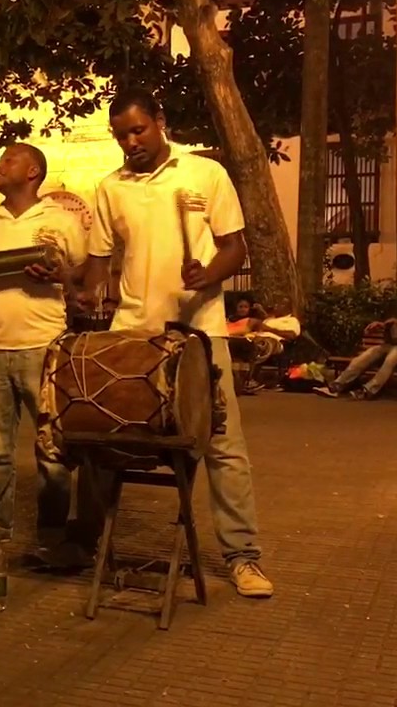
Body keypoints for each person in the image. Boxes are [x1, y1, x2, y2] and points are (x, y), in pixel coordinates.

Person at [78, 89, 273, 598]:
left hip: (199, 334)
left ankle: (242, 557)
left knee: (223, 446)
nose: (130, 142)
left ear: (160, 122)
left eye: (138, 130)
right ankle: (91, 545)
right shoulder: (110, 187)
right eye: (121, 134)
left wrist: (205, 275)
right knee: (106, 440)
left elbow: (234, 248)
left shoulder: (204, 173)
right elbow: (99, 259)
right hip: (133, 334)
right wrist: (80, 290)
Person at [0, 143, 88, 565]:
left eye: (8, 159)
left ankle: (51, 532)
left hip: (44, 344)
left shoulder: (61, 220)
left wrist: (60, 274)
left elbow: (81, 272)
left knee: (51, 446)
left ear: (33, 171)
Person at [315, 294, 397, 399]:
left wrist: (396, 322)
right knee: (371, 352)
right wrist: (383, 326)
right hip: (393, 345)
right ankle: (337, 385)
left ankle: (368, 390)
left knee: (393, 356)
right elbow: (390, 338)